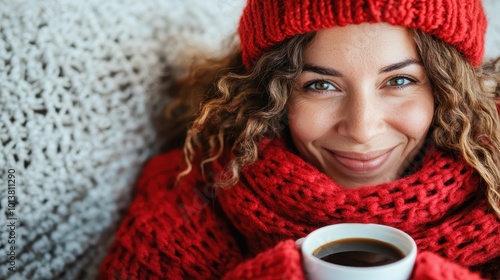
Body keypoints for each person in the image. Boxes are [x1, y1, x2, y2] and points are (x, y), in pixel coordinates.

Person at [99, 0, 500, 279]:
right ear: (271, 91)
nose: (362, 129)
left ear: (448, 90)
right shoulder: (186, 199)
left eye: (399, 81)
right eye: (321, 85)